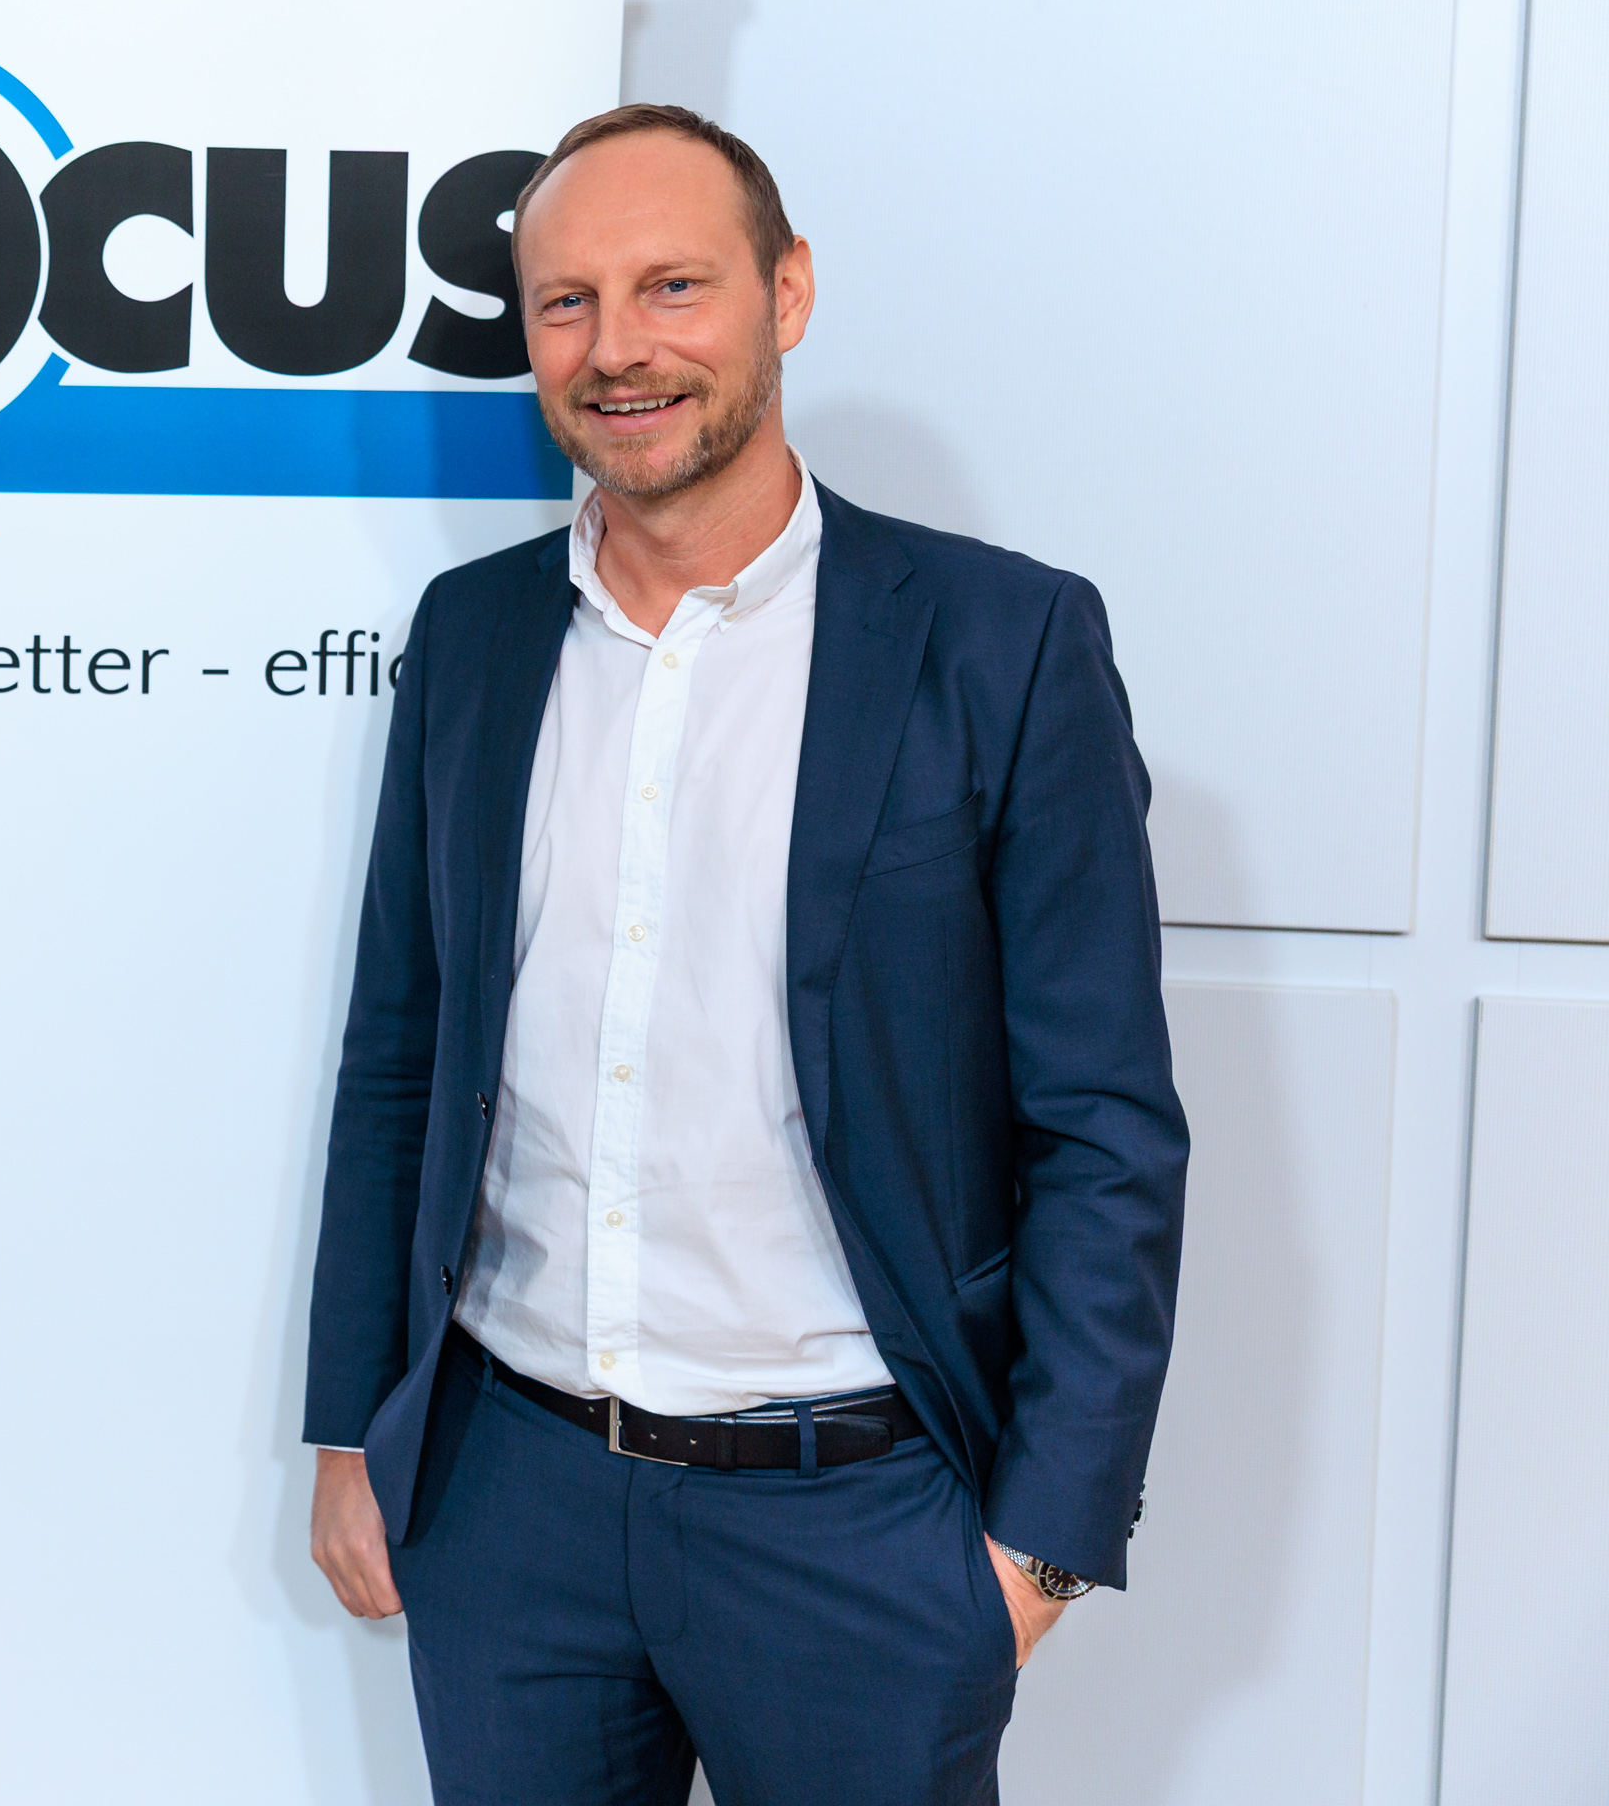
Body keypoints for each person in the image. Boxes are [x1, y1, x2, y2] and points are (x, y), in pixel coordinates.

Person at [301, 103, 1189, 1802]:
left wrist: (1040, 1555)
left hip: (862, 1521)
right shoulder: (474, 637)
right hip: (508, 1502)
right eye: (567, 302)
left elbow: (1105, 1127)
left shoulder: (1000, 644)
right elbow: (400, 1054)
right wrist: (358, 1425)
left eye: (673, 287)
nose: (617, 349)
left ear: (786, 294)